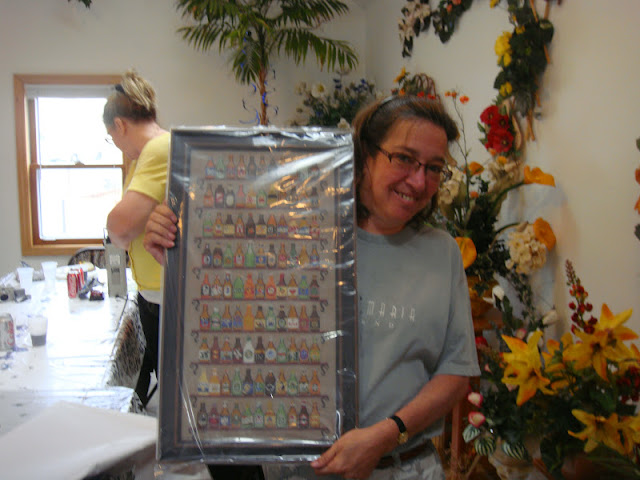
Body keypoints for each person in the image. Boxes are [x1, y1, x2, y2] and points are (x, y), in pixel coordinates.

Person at [143, 95, 480, 480]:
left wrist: (386, 435)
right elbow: (232, 310)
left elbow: (456, 373)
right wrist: (180, 252)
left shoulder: (442, 253)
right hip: (305, 470)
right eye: (403, 158)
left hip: (407, 468)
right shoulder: (296, 236)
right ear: (364, 156)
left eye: (434, 168)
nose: (419, 181)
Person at [104, 70, 170, 407]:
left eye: (111, 137)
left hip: (164, 297)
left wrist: (118, 232)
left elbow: (120, 228)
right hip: (154, 293)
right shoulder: (148, 154)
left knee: (173, 391)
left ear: (120, 125)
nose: (117, 145)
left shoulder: (156, 150)